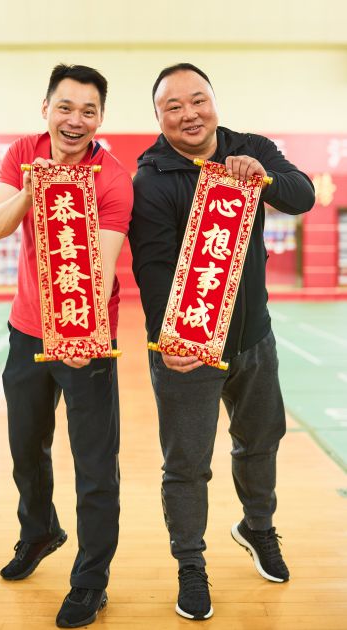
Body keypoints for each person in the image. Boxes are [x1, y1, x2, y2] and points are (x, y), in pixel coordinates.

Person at [129, 62, 315, 621]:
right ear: (158, 117)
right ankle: (190, 563)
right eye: (173, 107)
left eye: (198, 100)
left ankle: (258, 527)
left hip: (254, 337)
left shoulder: (250, 148)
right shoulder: (152, 179)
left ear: (214, 101)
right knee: (186, 463)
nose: (189, 114)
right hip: (189, 349)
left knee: (261, 440)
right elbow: (152, 268)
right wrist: (167, 340)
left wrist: (264, 177)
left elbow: (303, 196)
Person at [0, 64, 133, 628]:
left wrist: (80, 334)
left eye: (89, 111)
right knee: (26, 448)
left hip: (87, 335)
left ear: (100, 119)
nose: (75, 120)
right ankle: (40, 531)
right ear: (45, 108)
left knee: (95, 465)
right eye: (65, 107)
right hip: (26, 330)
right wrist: (32, 189)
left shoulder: (113, 179)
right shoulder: (24, 153)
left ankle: (91, 580)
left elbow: (103, 268)